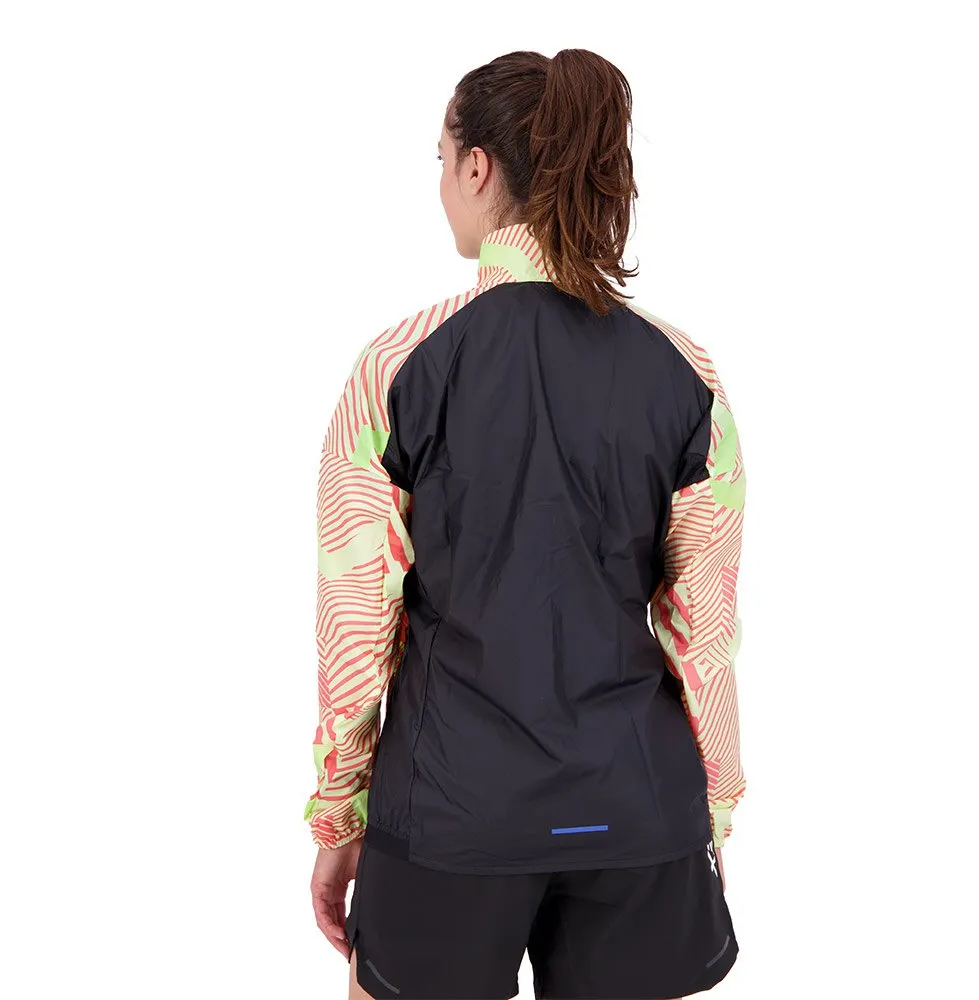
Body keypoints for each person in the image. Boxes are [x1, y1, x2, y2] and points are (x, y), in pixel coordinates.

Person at [306, 48, 747, 1000]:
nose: (441, 181)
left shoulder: (398, 367)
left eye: (440, 158)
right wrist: (711, 809)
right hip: (636, 815)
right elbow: (705, 631)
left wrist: (338, 817)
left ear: (477, 168)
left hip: (448, 819)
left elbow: (355, 632)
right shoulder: (684, 373)